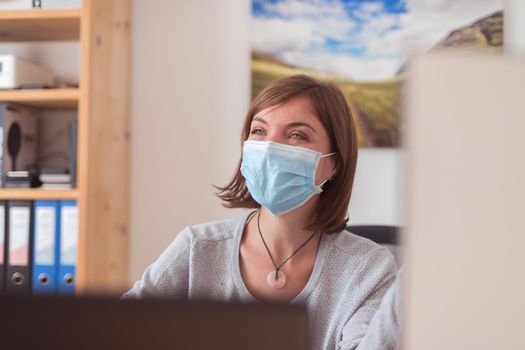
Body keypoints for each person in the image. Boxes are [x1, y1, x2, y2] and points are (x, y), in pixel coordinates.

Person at [124, 74, 397, 350]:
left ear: (334, 164)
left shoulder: (369, 270)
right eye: (259, 131)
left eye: (296, 135)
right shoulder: (196, 249)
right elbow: (117, 332)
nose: (269, 148)